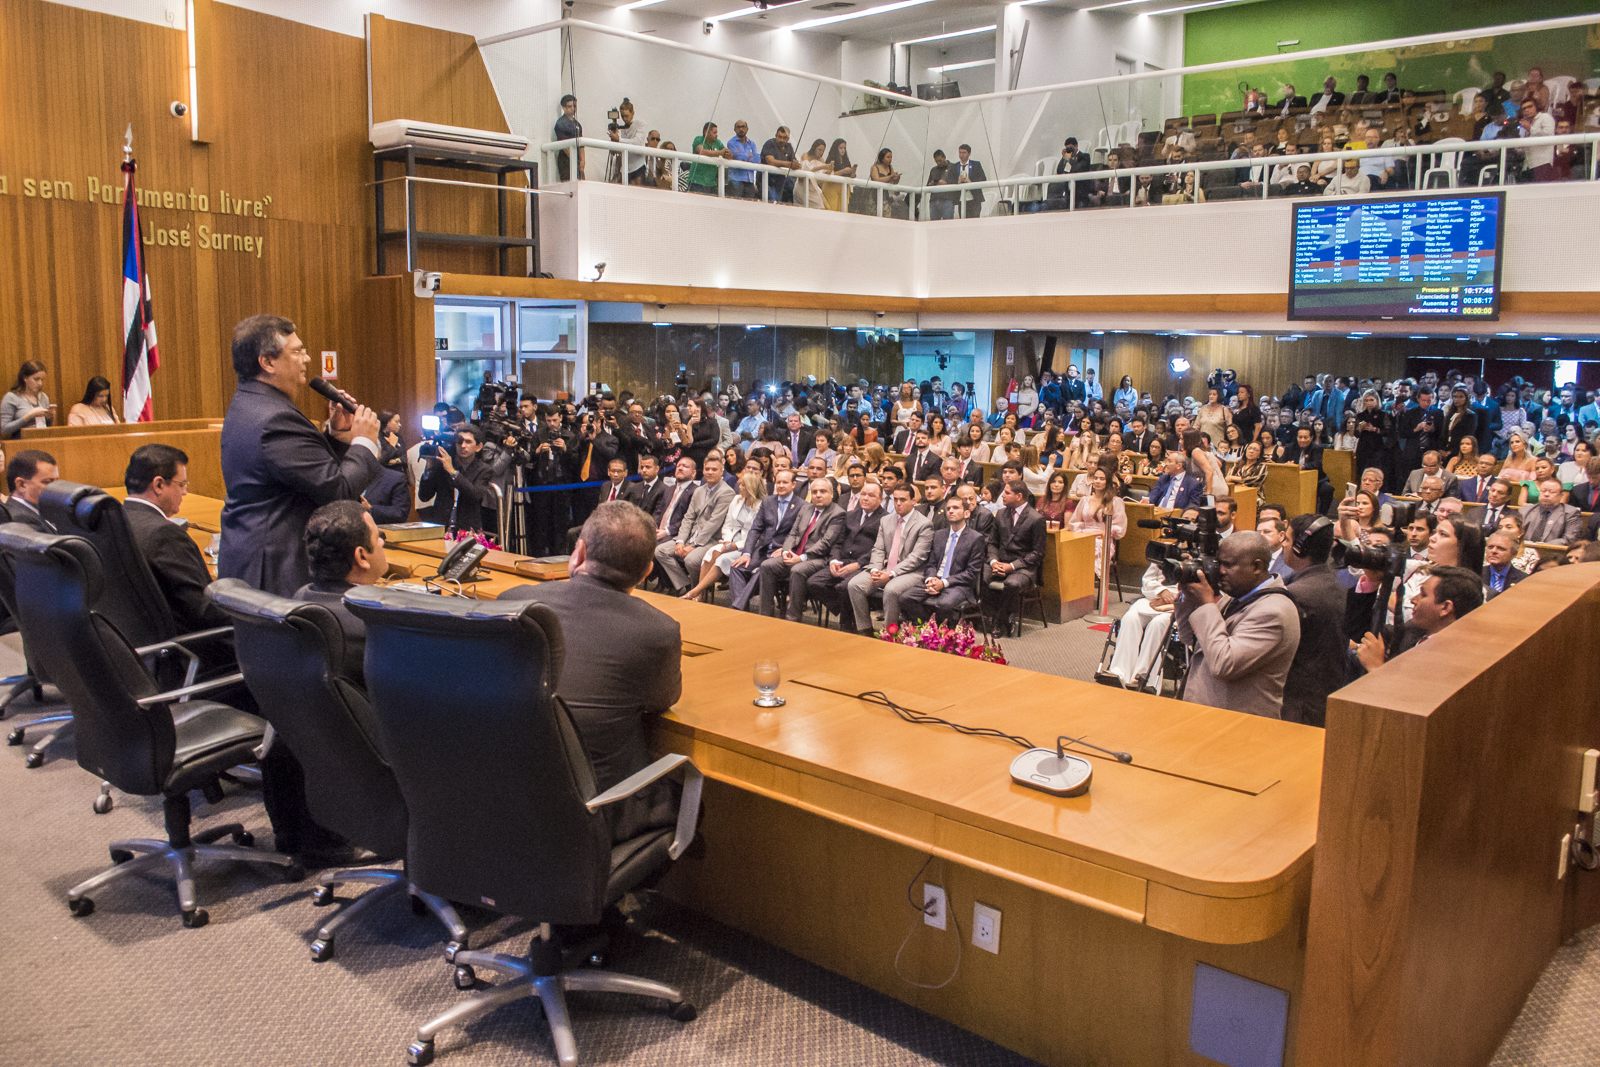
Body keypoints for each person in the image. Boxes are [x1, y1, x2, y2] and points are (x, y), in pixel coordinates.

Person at [501, 502, 681, 843]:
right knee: (687, 799)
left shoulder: (511, 603)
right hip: (588, 818)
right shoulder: (658, 631)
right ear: (646, 572)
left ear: (578, 552)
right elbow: (662, 701)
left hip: (494, 801)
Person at [218, 315, 380, 597]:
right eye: (296, 352)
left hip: (250, 558)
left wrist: (335, 436)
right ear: (267, 362)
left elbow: (298, 474)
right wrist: (363, 442)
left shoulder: (248, 403)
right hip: (275, 570)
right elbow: (337, 491)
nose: (306, 359)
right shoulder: (276, 418)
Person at [1175, 531, 1302, 719]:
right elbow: (1190, 638)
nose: (1220, 571)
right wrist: (1188, 597)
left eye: (1228, 565)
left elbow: (1223, 664)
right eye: (1219, 563)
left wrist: (1206, 604)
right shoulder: (1236, 598)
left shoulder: (1273, 611)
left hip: (1239, 727)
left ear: (1257, 566)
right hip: (1207, 719)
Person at [118, 444, 223, 634]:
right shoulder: (165, 535)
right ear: (159, 485)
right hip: (192, 650)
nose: (184, 493)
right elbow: (205, 611)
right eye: (181, 484)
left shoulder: (116, 522)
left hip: (139, 645)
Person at [294, 500, 388, 688]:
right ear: (361, 556)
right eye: (377, 536)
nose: (382, 542)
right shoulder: (374, 624)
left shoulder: (301, 596)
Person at [1278, 515, 1346, 728]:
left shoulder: (1296, 595)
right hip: (1329, 695)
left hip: (1299, 706)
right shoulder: (1340, 582)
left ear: (1300, 547)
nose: (1283, 545)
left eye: (1287, 540)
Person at [1355, 566, 1483, 673]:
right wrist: (1372, 583)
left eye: (1423, 594)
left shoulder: (1456, 658)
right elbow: (1363, 628)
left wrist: (1376, 668)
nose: (1413, 600)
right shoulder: (1413, 630)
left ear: (1445, 607)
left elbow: (1413, 699)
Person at [845, 484, 933, 635]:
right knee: (855, 584)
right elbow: (878, 548)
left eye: (903, 500)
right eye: (896, 499)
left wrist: (891, 574)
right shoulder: (886, 520)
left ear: (913, 501)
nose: (898, 503)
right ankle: (865, 629)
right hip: (885, 568)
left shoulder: (924, 524)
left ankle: (889, 633)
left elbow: (917, 557)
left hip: (911, 572)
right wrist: (875, 570)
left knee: (891, 589)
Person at [758, 473, 844, 621]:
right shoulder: (806, 509)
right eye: (815, 492)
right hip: (795, 554)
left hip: (817, 559)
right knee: (766, 565)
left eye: (823, 491)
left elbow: (825, 543)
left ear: (831, 494)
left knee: (798, 570)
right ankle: (765, 615)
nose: (818, 495)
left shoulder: (837, 514)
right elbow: (793, 534)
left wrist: (801, 558)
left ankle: (792, 618)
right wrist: (786, 551)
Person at [679, 469, 765, 601]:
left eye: (743, 484)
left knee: (721, 558)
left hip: (748, 546)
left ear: (751, 487)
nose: (739, 487)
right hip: (729, 540)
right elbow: (728, 524)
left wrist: (736, 545)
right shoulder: (737, 500)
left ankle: (696, 591)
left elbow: (758, 534)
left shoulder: (762, 506)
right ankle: (700, 595)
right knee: (711, 554)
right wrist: (727, 541)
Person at [900, 495, 987, 625]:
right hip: (936, 580)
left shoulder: (975, 539)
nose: (950, 511)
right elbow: (931, 563)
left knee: (943, 604)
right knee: (905, 598)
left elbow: (971, 573)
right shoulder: (939, 535)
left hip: (959, 585)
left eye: (955, 508)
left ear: (967, 513)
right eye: (948, 508)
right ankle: (926, 629)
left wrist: (944, 583)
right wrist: (931, 579)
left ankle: (943, 636)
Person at [655, 453, 734, 592]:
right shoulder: (699, 490)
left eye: (714, 469)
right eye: (707, 469)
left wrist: (693, 545)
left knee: (691, 560)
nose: (710, 472)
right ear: (702, 471)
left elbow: (713, 524)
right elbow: (688, 518)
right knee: (660, 551)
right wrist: (680, 540)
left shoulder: (726, 492)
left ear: (721, 472)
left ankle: (697, 590)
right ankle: (685, 585)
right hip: (690, 536)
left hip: (710, 539)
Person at [417, 425, 507, 536]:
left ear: (478, 447)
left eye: (468, 442)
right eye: (459, 442)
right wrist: (429, 467)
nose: (463, 446)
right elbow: (424, 496)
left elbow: (475, 495)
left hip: (467, 528)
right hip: (441, 526)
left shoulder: (483, 469)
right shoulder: (443, 465)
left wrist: (453, 472)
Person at [986, 482, 1047, 633]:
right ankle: (988, 617)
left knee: (1012, 584)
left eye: (1007, 493)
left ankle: (1001, 620)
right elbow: (992, 543)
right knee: (978, 574)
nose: (1002, 496)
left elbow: (1038, 553)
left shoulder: (1036, 519)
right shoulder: (1000, 514)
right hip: (999, 562)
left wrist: (1011, 566)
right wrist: (994, 562)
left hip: (1023, 568)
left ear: (1019, 496)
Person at [4, 449, 59, 531]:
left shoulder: (39, 511)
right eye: (47, 482)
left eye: (57, 481)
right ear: (21, 485)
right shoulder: (20, 520)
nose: (57, 488)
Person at [1520, 477, 1582, 544]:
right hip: (1524, 550)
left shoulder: (1571, 513)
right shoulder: (1525, 511)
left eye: (1552, 492)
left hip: (1554, 552)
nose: (1546, 494)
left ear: (1561, 496)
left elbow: (1570, 539)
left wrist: (1542, 546)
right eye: (1543, 491)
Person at [3, 360, 52, 439]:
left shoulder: (44, 397)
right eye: (36, 379)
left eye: (42, 380)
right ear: (25, 378)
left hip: (43, 441)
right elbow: (4, 429)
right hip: (20, 444)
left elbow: (48, 428)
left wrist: (51, 417)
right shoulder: (11, 398)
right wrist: (29, 416)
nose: (40, 383)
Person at [688, 121, 730, 196]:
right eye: (714, 133)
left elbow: (726, 153)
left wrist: (728, 154)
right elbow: (702, 152)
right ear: (706, 132)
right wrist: (720, 153)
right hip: (697, 181)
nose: (716, 135)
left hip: (711, 182)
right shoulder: (698, 139)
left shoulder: (718, 142)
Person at [761, 125, 800, 203]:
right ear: (776, 136)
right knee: (772, 202)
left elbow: (794, 161)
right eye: (779, 137)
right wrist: (789, 164)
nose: (781, 140)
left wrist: (796, 165)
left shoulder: (789, 147)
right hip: (768, 181)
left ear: (788, 138)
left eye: (784, 138)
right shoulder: (770, 144)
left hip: (780, 182)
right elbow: (770, 161)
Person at [554, 94, 584, 181]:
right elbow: (565, 146)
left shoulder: (578, 124)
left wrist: (582, 160)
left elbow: (582, 144)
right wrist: (575, 159)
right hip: (566, 160)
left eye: (574, 106)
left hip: (577, 159)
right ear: (563, 108)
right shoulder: (561, 123)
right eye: (570, 106)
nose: (573, 109)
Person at [953, 144, 987, 219]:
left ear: (969, 153)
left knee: (975, 219)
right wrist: (958, 181)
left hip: (974, 198)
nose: (961, 155)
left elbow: (983, 178)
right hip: (961, 199)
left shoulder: (976, 164)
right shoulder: (954, 166)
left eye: (964, 153)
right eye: (960, 152)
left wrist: (970, 182)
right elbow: (950, 180)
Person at [822, 139, 856, 212]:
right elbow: (827, 173)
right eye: (841, 148)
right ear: (836, 148)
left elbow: (849, 176)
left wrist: (852, 172)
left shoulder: (846, 160)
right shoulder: (831, 159)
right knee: (833, 209)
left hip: (843, 188)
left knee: (843, 209)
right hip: (832, 186)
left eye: (844, 148)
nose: (843, 150)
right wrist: (843, 171)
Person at [926, 149, 958, 220]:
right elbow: (928, 186)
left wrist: (947, 183)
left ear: (944, 157)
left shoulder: (953, 167)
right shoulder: (933, 170)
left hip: (947, 199)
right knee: (934, 224)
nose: (938, 163)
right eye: (936, 161)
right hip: (934, 200)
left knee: (947, 224)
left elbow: (956, 182)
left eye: (940, 160)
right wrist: (933, 183)